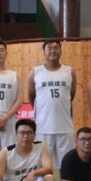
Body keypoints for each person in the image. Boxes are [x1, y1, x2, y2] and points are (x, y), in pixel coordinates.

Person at [28, 40, 77, 169]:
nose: (53, 51)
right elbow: (32, 96)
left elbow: (71, 96)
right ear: (44, 52)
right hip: (43, 127)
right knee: (44, 165)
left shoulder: (69, 71)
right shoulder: (36, 72)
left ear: (61, 51)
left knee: (67, 164)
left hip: (65, 126)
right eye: (49, 48)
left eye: (56, 48)